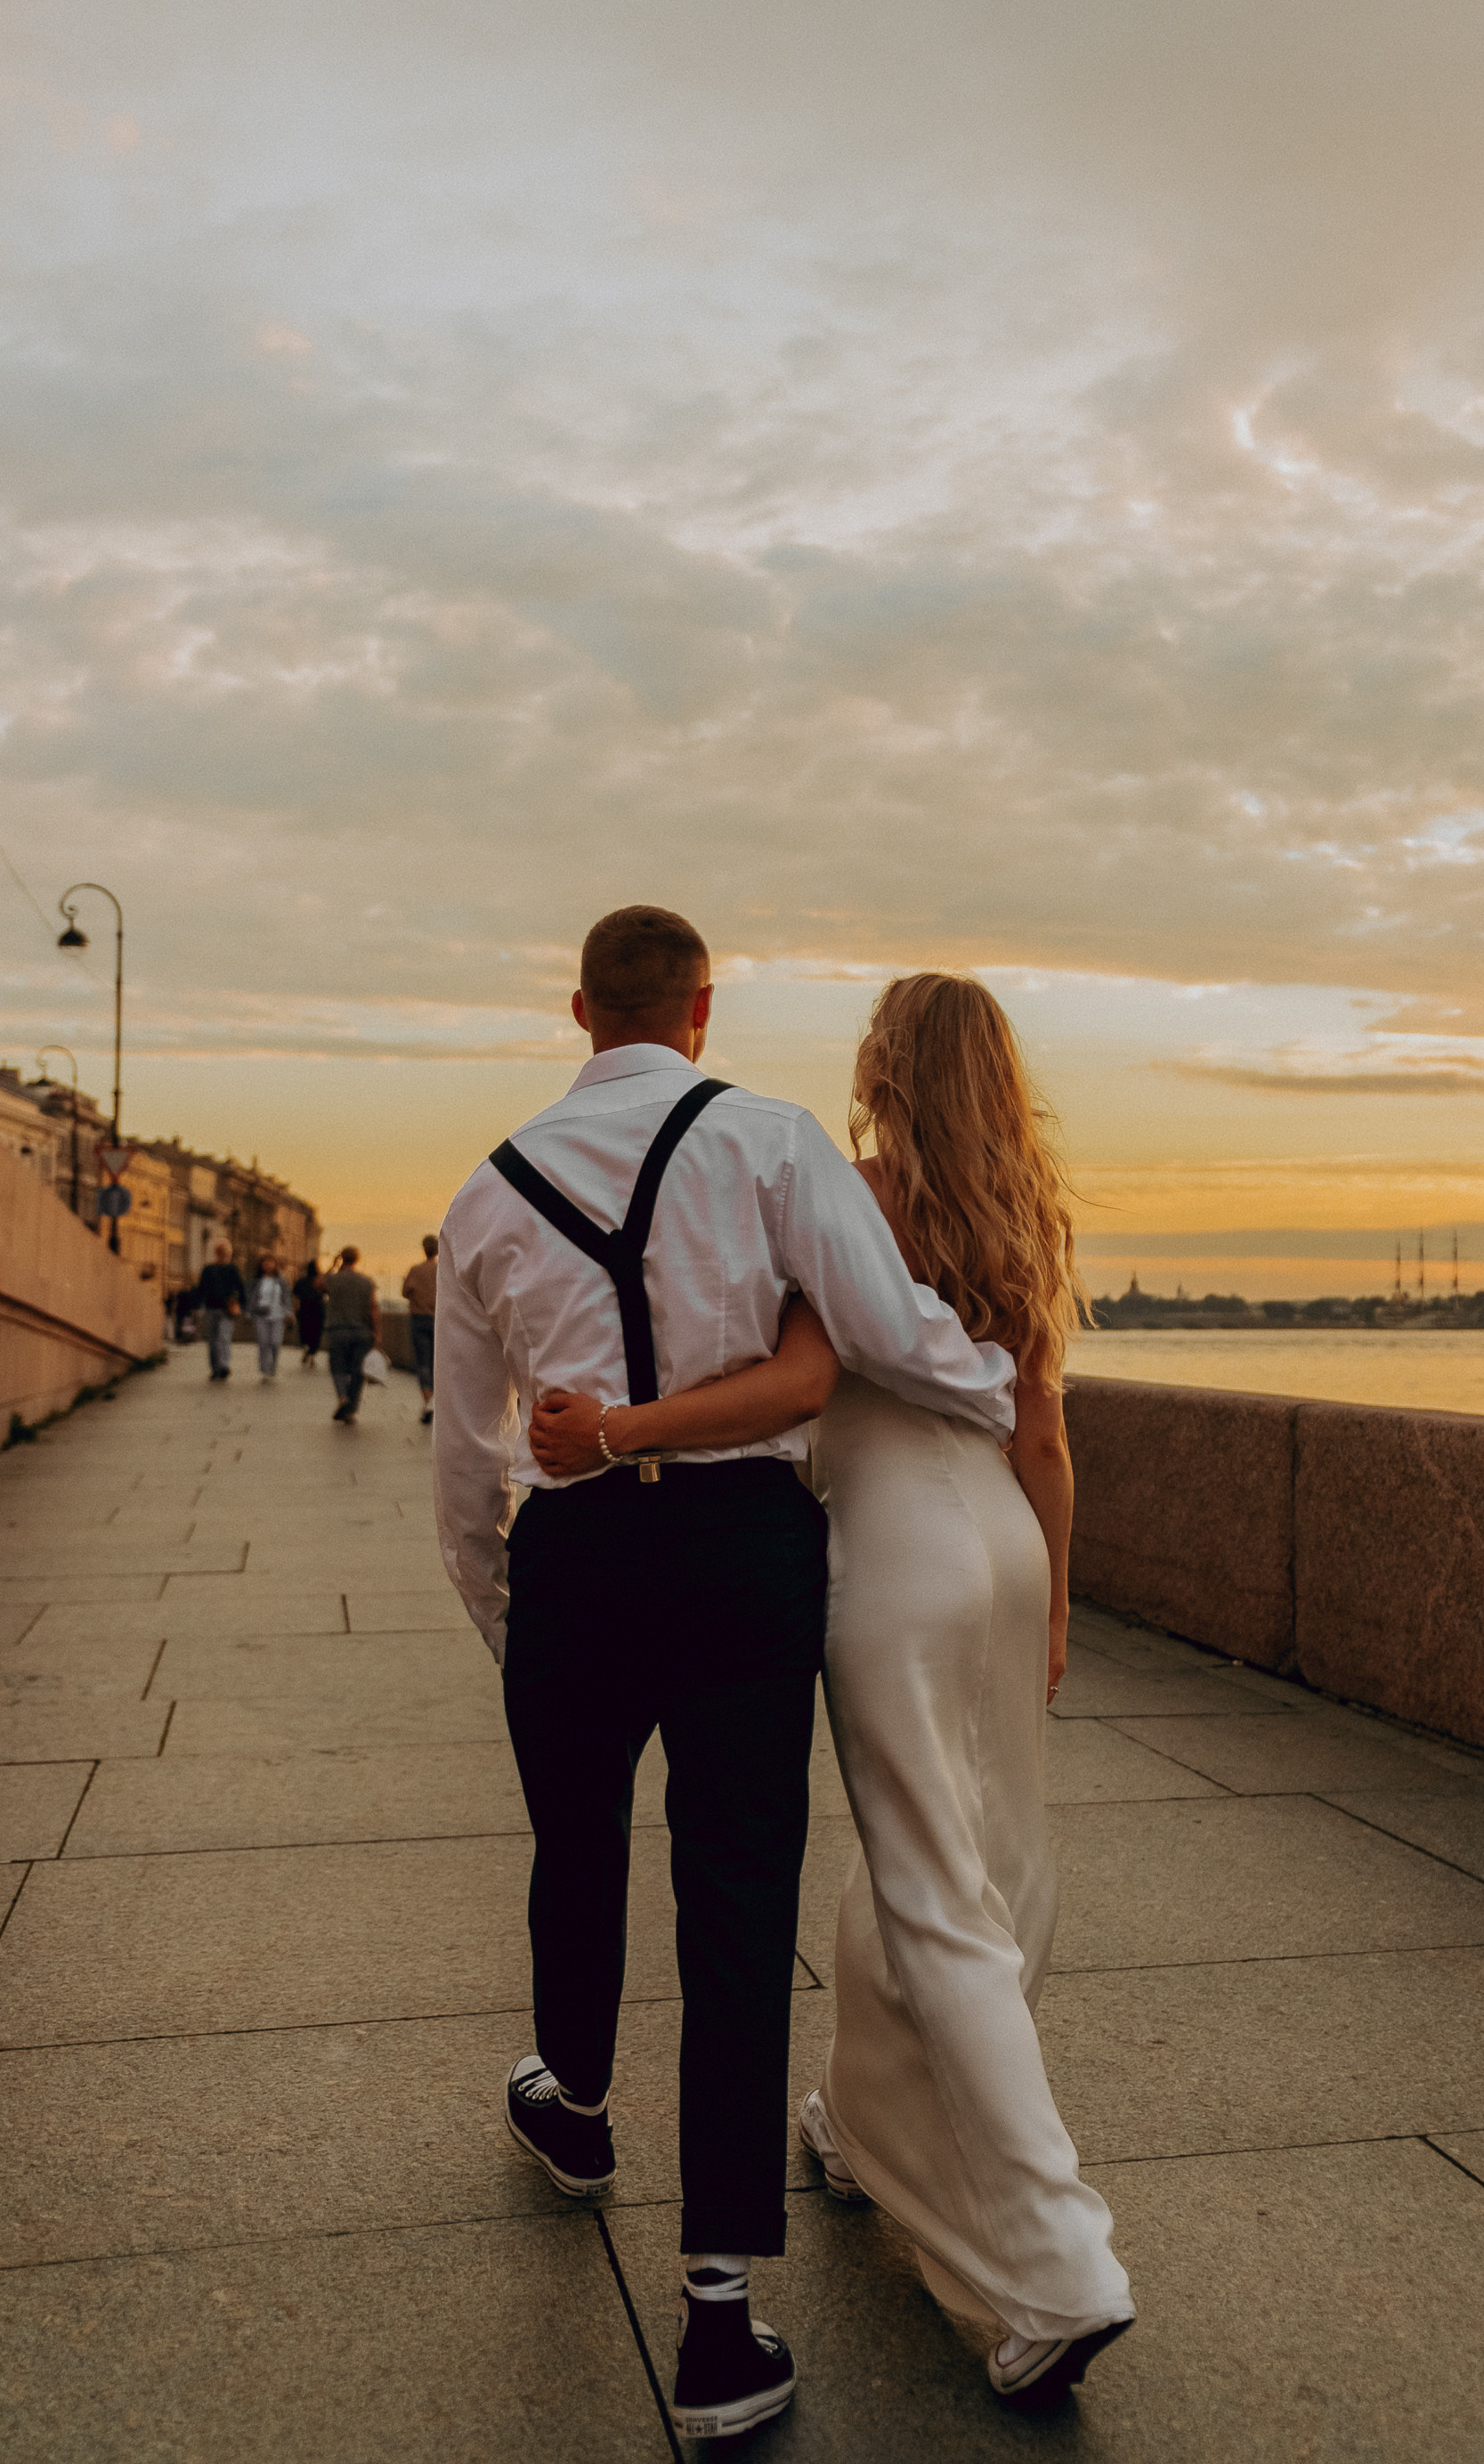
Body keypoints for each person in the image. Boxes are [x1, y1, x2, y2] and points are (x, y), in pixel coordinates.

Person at [433, 905, 1014, 2445]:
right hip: (749, 1544)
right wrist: (1003, 1387)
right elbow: (886, 1330)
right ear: (700, 1005)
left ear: (578, 1008)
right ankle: (715, 2316)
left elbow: (462, 1459)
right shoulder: (766, 1138)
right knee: (740, 1904)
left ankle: (573, 2108)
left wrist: (516, 1613)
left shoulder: (485, 1196)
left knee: (576, 1847)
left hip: (573, 1558)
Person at [321, 1246, 380, 1425]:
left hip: (338, 1330)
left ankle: (342, 1398)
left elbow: (317, 1284)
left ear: (342, 1258)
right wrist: (377, 1333)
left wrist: (333, 1265)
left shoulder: (333, 1279)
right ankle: (351, 1409)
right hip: (361, 1332)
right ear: (357, 1259)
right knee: (358, 1370)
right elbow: (373, 1309)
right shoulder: (366, 1281)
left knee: (337, 1367)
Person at [401, 1234, 439, 1424]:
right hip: (439, 1321)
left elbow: (405, 1291)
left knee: (423, 1362)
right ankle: (437, 1401)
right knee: (438, 1362)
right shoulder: (443, 1270)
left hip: (419, 1319)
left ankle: (428, 1401)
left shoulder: (416, 1270)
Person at [194, 1243, 245, 1381]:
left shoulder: (232, 1269)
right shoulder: (209, 1269)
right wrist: (196, 1306)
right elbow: (201, 1288)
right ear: (217, 1253)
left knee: (223, 1337)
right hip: (211, 1308)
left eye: (227, 1253)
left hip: (227, 1310)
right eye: (223, 1253)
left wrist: (242, 1304)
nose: (225, 1256)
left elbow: (241, 1287)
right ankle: (215, 1368)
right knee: (213, 1340)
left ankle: (222, 1366)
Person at [250, 1256, 293, 1382]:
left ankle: (273, 1366)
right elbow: (252, 1298)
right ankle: (265, 1369)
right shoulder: (257, 1281)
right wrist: (250, 1311)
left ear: (275, 1265)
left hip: (277, 1315)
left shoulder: (280, 1281)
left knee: (275, 1342)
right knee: (263, 1342)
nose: (268, 1265)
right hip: (261, 1314)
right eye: (265, 1263)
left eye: (271, 1262)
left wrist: (289, 1312)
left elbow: (286, 1297)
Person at [294, 1260, 327, 1368]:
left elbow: (295, 1296)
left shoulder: (301, 1281)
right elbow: (327, 1293)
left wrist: (296, 1310)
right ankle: (312, 1356)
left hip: (304, 1310)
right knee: (316, 1334)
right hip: (318, 1310)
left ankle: (305, 1348)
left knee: (304, 1332)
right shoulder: (319, 1281)